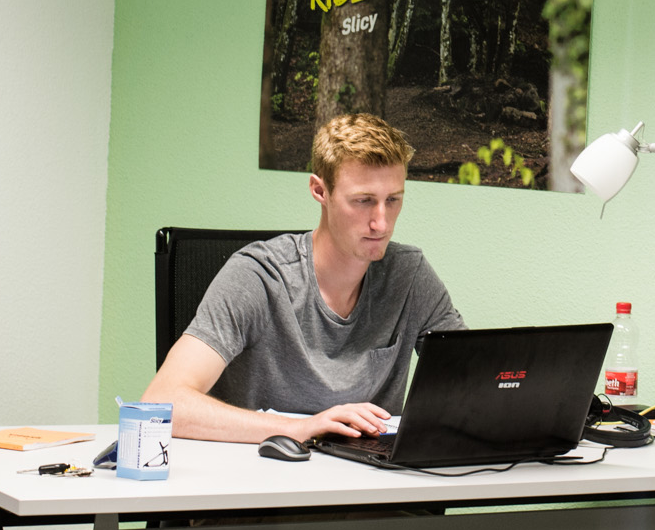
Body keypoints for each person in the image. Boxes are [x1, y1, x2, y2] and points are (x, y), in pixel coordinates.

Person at [143, 112, 464, 443]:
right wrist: (300, 429)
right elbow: (161, 402)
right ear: (320, 191)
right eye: (363, 201)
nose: (381, 223)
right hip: (267, 468)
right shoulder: (258, 276)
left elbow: (475, 381)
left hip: (367, 471)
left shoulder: (409, 275)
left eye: (393, 200)